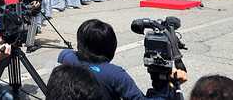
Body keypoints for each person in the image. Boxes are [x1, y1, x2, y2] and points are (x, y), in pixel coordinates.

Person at [58, 19, 186, 99]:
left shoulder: (68, 57)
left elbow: (67, 53)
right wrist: (169, 86)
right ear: (110, 46)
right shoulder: (115, 74)